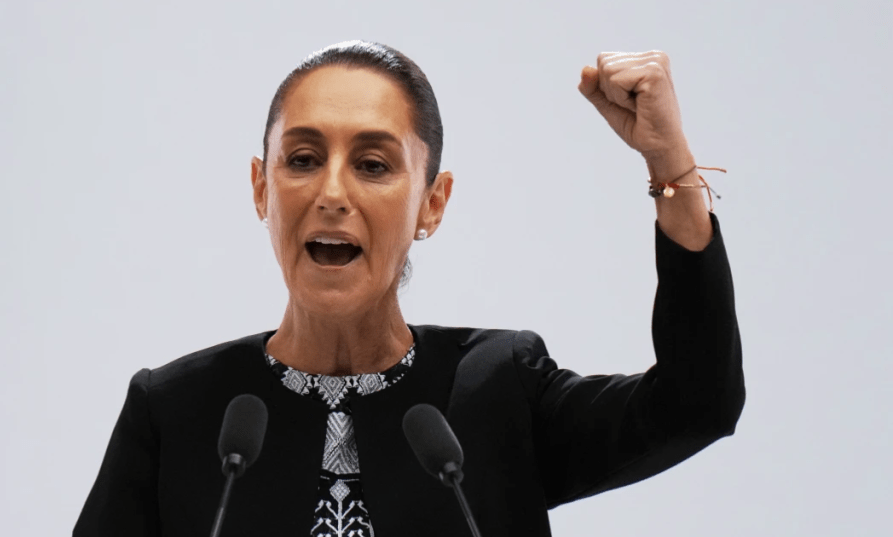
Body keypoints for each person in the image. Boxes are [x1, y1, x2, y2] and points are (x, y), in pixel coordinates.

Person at [73, 40, 744, 537]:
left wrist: (669, 166)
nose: (332, 192)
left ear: (432, 202)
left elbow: (698, 403)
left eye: (372, 164)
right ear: (261, 187)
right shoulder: (175, 411)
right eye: (302, 159)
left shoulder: (496, 387)